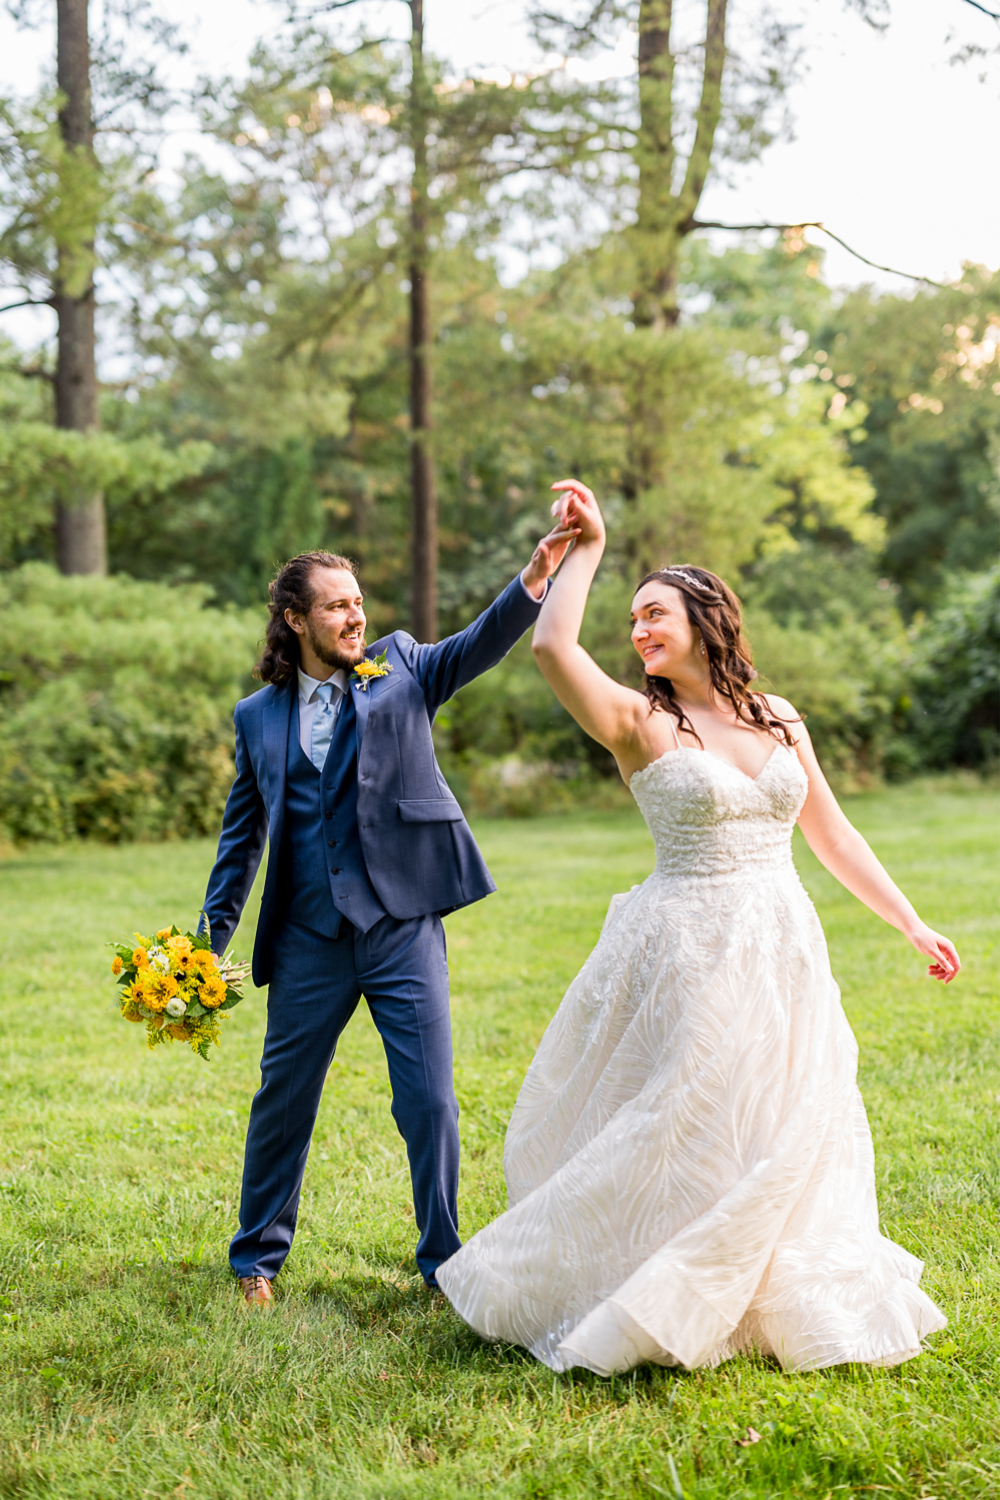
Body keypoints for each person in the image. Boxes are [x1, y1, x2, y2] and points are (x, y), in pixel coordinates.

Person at [436, 479, 959, 1374]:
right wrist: (586, 551)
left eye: (654, 613)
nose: (638, 631)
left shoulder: (778, 718)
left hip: (784, 942)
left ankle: (757, 1287)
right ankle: (653, 1282)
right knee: (688, 1113)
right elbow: (555, 646)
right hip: (686, 942)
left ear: (707, 617)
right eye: (633, 619)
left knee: (785, 1113)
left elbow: (830, 832)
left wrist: (909, 924)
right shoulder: (636, 721)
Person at [200, 526, 577, 1306]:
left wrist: (534, 577)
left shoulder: (402, 667)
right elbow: (243, 840)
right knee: (283, 1097)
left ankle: (443, 1261)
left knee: (430, 1099)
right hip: (307, 937)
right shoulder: (256, 717)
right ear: (295, 620)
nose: (355, 617)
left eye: (359, 602)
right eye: (336, 606)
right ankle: (256, 1261)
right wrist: (207, 943)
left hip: (402, 926)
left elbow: (478, 645)